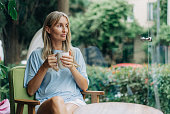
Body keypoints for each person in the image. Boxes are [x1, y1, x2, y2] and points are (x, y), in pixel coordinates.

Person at [24, 11, 89, 114]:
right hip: (46, 102)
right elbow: (31, 90)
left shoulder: (75, 53)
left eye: (66, 26)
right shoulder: (36, 55)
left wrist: (72, 67)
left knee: (65, 110)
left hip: (73, 101)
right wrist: (44, 67)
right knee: (57, 100)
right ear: (48, 29)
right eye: (59, 26)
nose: (65, 30)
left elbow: (84, 86)